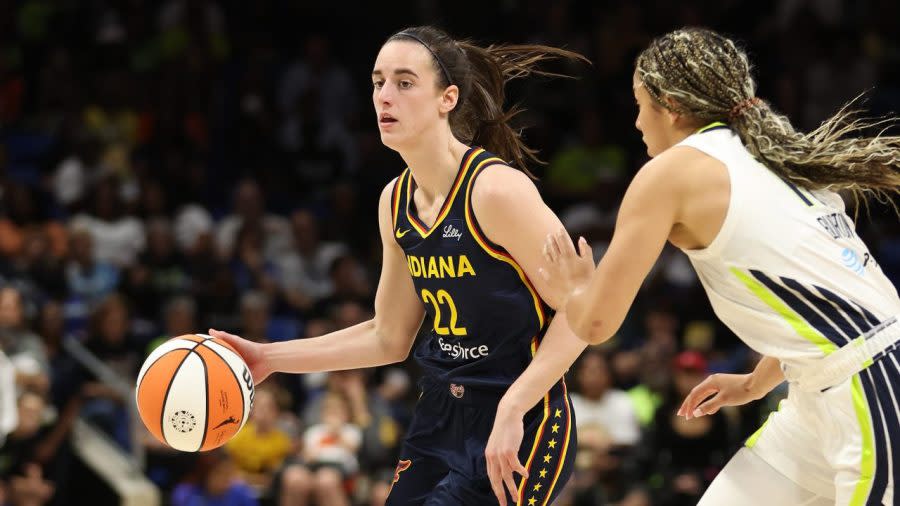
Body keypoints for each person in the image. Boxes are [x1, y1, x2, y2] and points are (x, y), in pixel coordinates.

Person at [210, 25, 589, 506]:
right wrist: (267, 358)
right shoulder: (395, 201)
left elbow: (583, 315)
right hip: (439, 416)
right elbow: (388, 337)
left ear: (446, 98)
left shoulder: (496, 191)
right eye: (377, 82)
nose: (384, 96)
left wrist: (514, 405)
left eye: (404, 82)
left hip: (523, 416)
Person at [541, 27, 900, 505]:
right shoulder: (776, 156)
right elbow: (825, 299)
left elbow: (598, 323)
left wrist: (574, 289)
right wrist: (756, 382)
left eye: (640, 105)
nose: (636, 123)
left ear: (669, 105)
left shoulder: (671, 174)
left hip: (875, 385)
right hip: (822, 388)